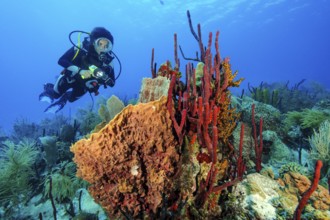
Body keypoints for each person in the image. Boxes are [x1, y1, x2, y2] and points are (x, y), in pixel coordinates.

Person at [39, 27, 116, 113]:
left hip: (84, 85)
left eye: (107, 46)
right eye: (100, 43)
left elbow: (112, 83)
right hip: (71, 77)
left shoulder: (108, 62)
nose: (103, 48)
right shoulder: (80, 48)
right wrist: (80, 71)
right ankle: (48, 87)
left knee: (71, 99)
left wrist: (102, 77)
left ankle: (63, 100)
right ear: (94, 41)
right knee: (55, 94)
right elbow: (62, 60)